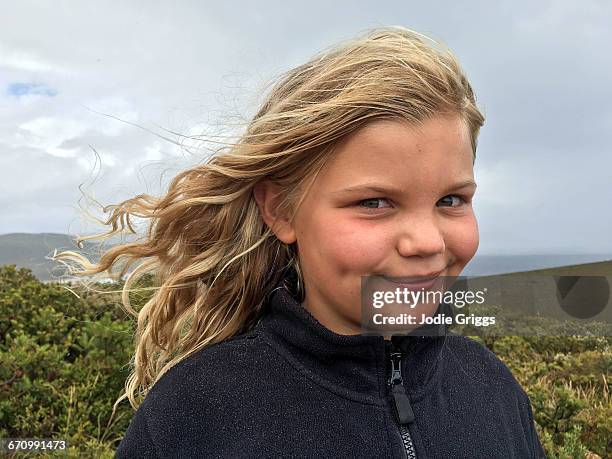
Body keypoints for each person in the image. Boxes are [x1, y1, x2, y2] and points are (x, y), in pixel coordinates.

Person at [62, 26, 546, 458]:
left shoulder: (491, 387)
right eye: (375, 203)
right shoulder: (194, 413)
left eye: (451, 200)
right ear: (281, 210)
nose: (425, 242)